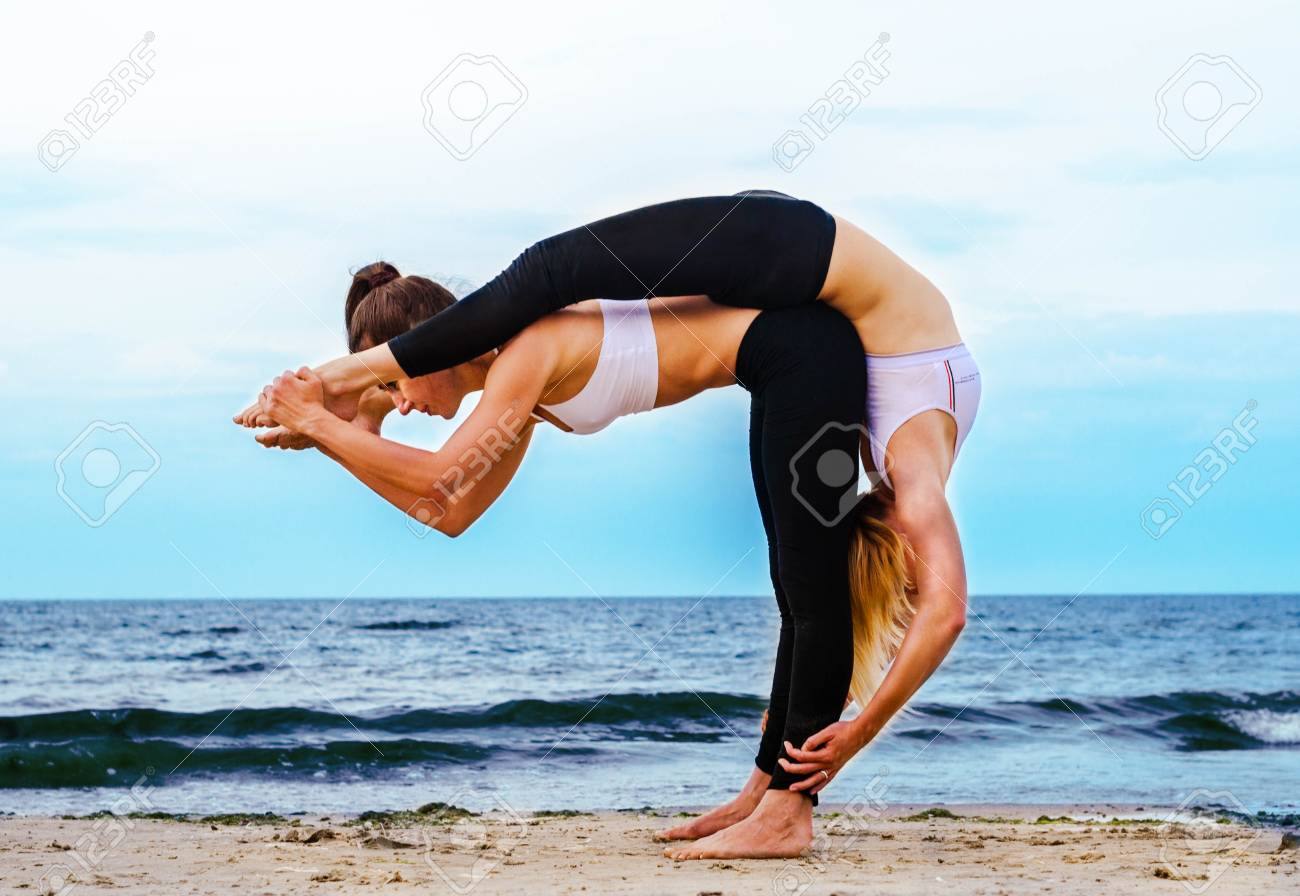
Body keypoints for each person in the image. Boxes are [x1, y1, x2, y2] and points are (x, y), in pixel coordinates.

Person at [239, 190, 980, 848]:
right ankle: (767, 794)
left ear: (446, 339)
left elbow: (439, 477)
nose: (402, 404)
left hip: (792, 282)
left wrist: (324, 414)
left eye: (395, 381)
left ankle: (790, 812)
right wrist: (337, 437)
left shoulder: (524, 350)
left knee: (553, 267)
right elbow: (451, 508)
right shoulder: (517, 391)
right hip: (793, 348)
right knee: (800, 588)